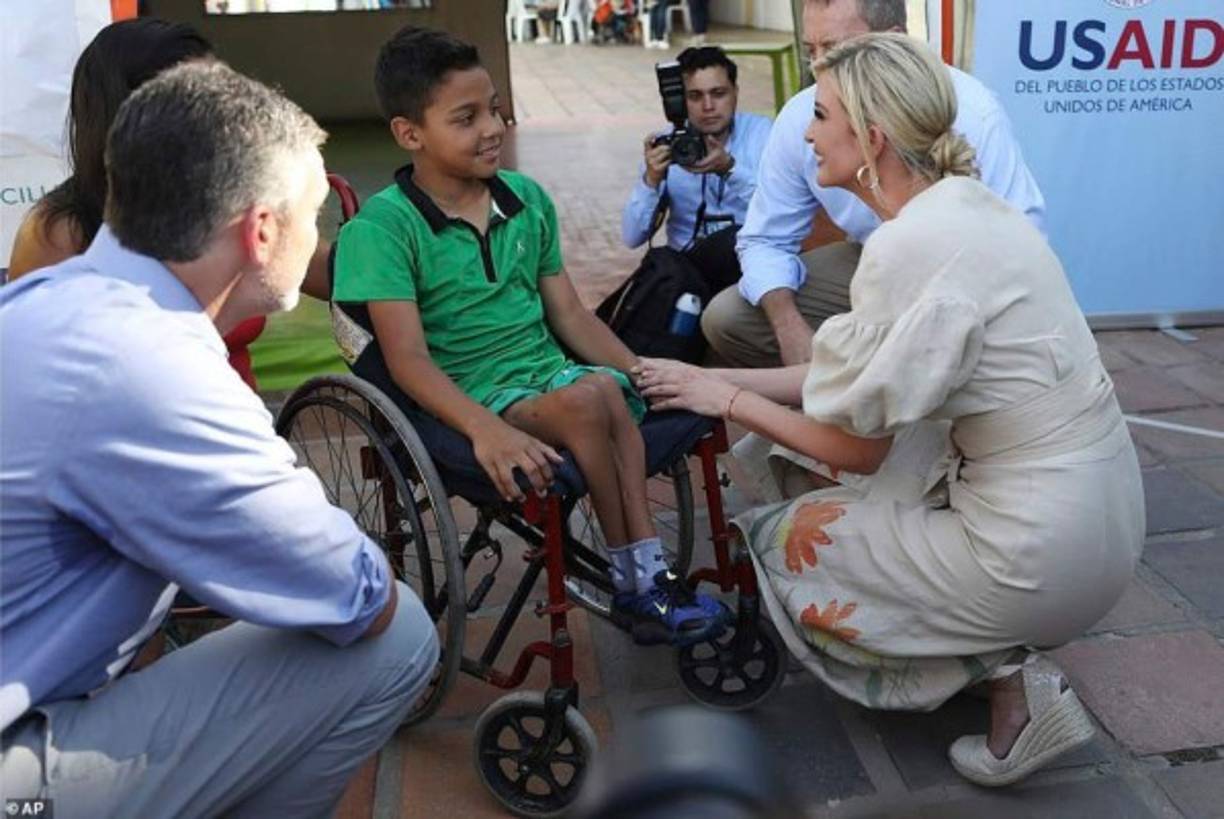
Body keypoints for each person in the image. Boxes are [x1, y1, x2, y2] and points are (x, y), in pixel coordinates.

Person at [635, 33, 1144, 786]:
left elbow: (855, 449)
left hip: (1038, 556)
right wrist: (706, 383)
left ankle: (1011, 684)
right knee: (783, 450)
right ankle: (993, 652)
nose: (805, 129)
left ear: (870, 137)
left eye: (822, 112)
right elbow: (846, 378)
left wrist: (730, 393)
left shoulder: (905, 248)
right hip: (1105, 523)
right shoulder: (971, 206)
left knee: (783, 535)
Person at [0, 62, 439, 817]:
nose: (319, 235)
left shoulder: (47, 296)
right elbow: (355, 597)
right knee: (398, 635)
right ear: (262, 229)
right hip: (18, 764)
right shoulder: (153, 363)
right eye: (313, 214)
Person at [330, 26, 727, 647]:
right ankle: (641, 582)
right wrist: (485, 429)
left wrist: (641, 368)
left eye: (494, 108)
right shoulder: (383, 230)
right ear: (411, 134)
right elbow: (406, 361)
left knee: (603, 386)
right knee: (590, 397)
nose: (492, 127)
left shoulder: (526, 201)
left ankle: (643, 577)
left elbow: (569, 315)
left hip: (550, 373)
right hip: (474, 394)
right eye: (466, 118)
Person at [703, 0, 1046, 368]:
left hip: (967, 281)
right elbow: (764, 239)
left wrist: (731, 395)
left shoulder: (971, 111)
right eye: (810, 52)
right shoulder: (803, 117)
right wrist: (790, 330)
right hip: (872, 259)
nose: (819, 70)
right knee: (728, 317)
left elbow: (1021, 242)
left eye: (836, 51)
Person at [5, 18, 333, 388]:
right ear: (131, 111)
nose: (222, 113)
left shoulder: (233, 193)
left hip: (237, 420)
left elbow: (332, 271)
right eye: (196, 100)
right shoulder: (58, 233)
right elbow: (30, 368)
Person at [622, 46, 771, 285]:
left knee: (734, 241)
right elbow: (631, 237)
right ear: (680, 100)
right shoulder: (667, 145)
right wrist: (651, 181)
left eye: (718, 93)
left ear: (735, 93)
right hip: (688, 269)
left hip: (750, 262)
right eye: (695, 96)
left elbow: (780, 211)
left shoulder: (763, 134)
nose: (708, 106)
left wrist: (729, 169)